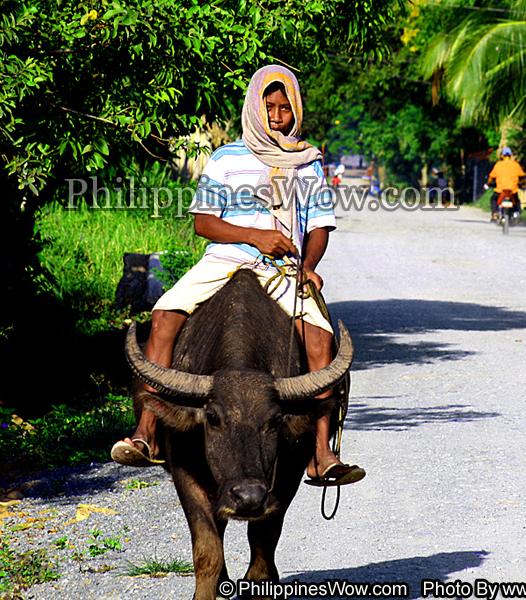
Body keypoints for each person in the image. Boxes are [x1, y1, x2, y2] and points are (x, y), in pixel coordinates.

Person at [110, 65, 365, 487]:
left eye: (286, 107)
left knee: (321, 341)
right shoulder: (227, 157)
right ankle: (147, 433)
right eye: (270, 107)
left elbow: (319, 225)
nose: (278, 115)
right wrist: (254, 235)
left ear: (297, 109)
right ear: (254, 107)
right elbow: (204, 223)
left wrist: (309, 267)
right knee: (163, 316)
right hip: (224, 259)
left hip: (282, 269)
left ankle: (322, 453)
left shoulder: (308, 160)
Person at [486, 148, 526, 220]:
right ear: (510, 155)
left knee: (493, 199)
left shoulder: (498, 165)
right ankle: (517, 214)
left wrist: (488, 184)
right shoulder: (515, 165)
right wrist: (523, 184)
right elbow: (522, 177)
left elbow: (491, 177)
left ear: (502, 156)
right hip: (512, 190)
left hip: (500, 190)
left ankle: (495, 214)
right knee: (517, 201)